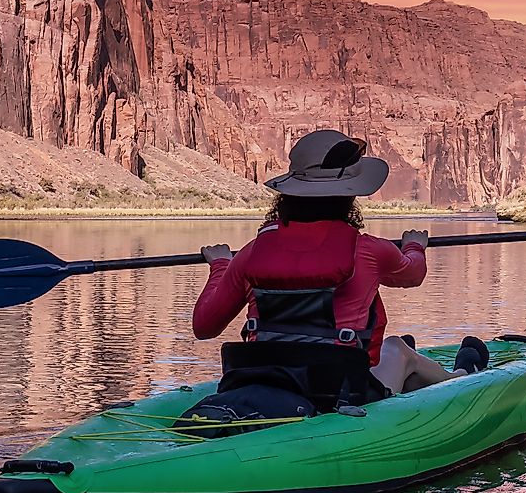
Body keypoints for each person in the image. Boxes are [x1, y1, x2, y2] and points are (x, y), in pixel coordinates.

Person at [192, 129, 469, 407]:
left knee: (394, 349)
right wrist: (414, 246)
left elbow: (204, 327)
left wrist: (220, 265)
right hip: (340, 394)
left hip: (264, 379)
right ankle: (462, 377)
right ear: (349, 198)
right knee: (397, 348)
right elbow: (413, 274)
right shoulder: (370, 250)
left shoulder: (252, 253)